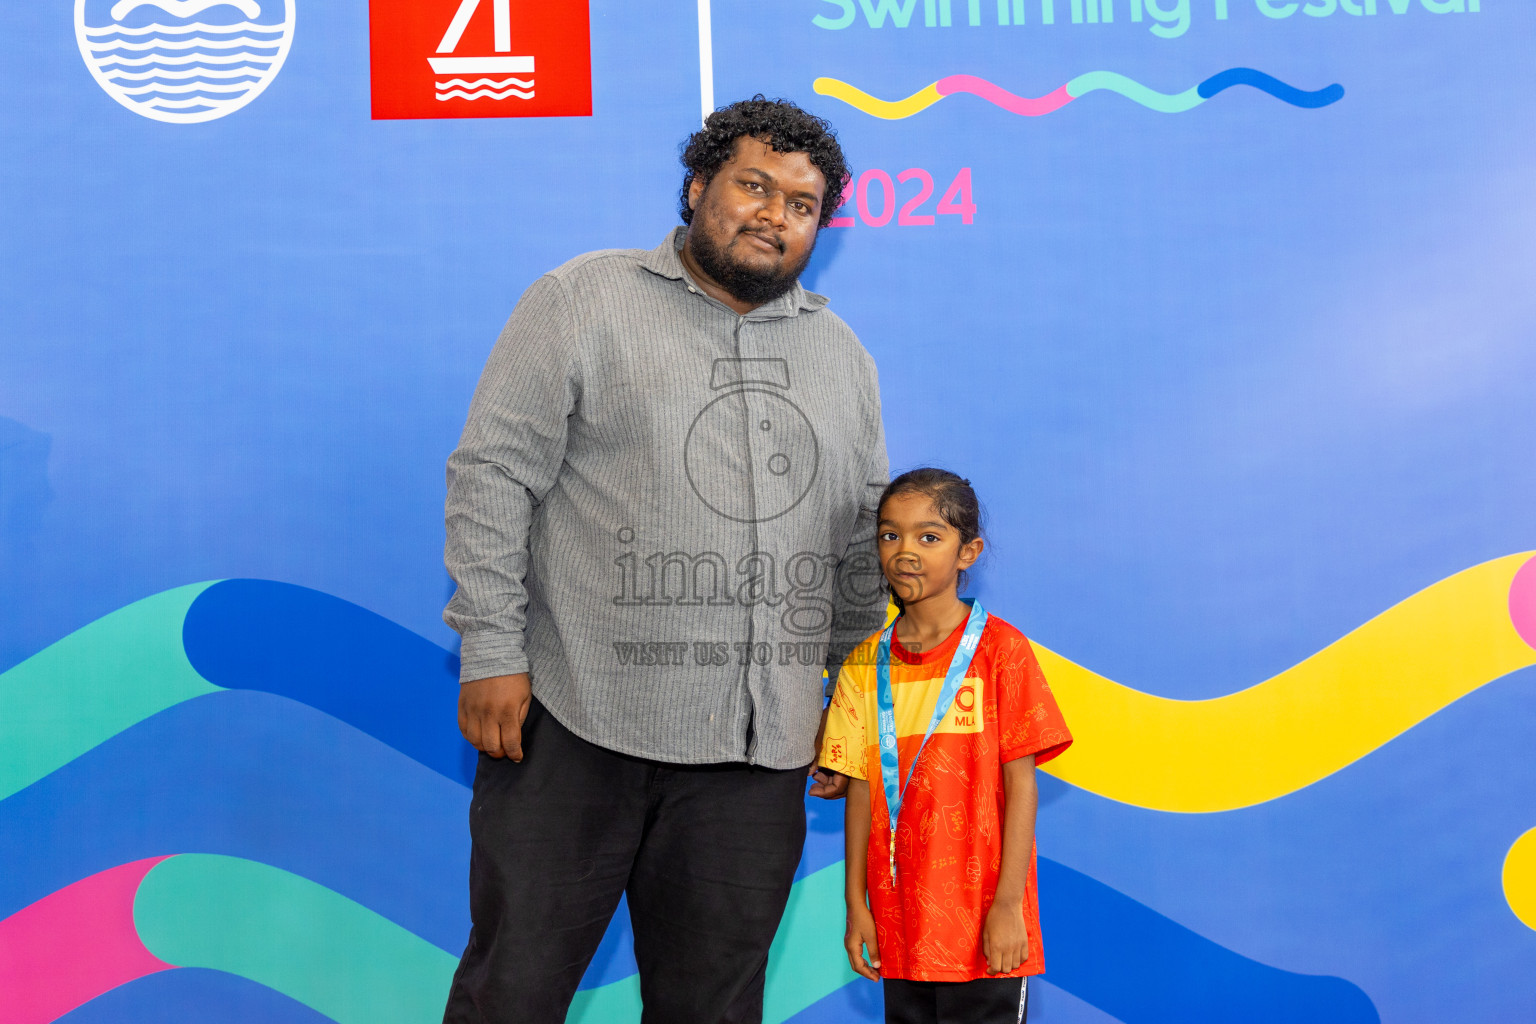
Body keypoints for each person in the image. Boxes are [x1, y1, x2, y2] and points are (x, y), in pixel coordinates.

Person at [440, 97, 889, 1024]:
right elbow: (493, 476)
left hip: (756, 752)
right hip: (573, 721)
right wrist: (491, 650)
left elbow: (857, 541)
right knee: (511, 996)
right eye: (752, 186)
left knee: (714, 1011)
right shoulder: (583, 299)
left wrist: (847, 704)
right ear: (697, 188)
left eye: (801, 205)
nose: (773, 215)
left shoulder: (842, 356)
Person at [819, 469, 1072, 1024]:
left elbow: (1021, 784)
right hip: (900, 922)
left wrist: (1009, 905)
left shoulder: (1002, 651)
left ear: (968, 552)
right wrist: (855, 906)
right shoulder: (864, 666)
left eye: (929, 537)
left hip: (986, 927)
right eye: (891, 535)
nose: (906, 551)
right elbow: (860, 791)